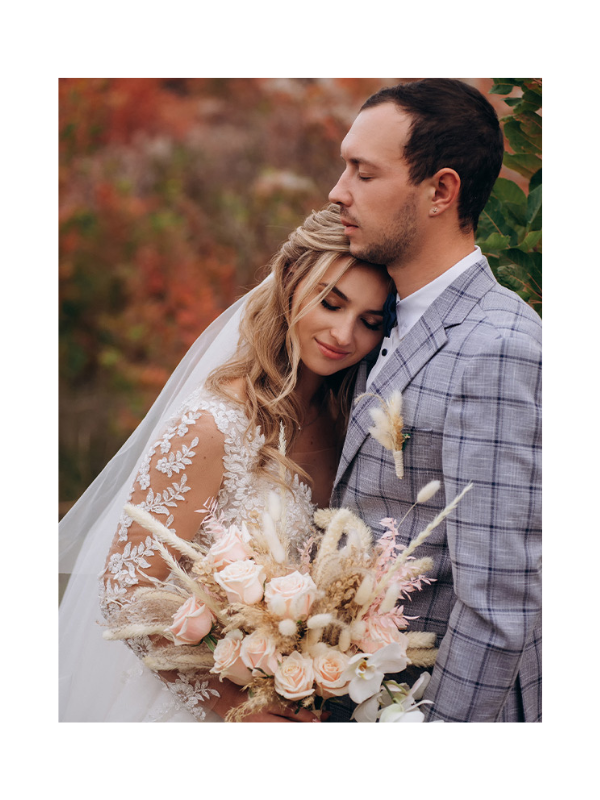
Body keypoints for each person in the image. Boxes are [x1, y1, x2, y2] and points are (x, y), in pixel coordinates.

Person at [59, 204, 392, 722]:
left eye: (369, 322)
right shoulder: (214, 424)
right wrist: (238, 710)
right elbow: (123, 594)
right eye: (331, 303)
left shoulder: (351, 424)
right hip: (197, 707)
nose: (344, 334)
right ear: (290, 285)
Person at [327, 79, 542, 722]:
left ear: (441, 191)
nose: (338, 192)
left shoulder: (497, 346)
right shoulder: (378, 318)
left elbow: (500, 602)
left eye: (364, 173)